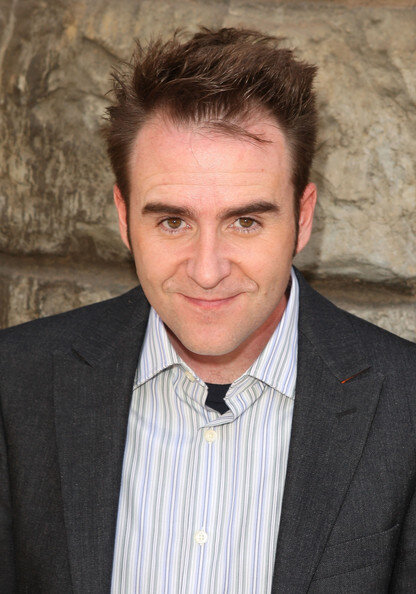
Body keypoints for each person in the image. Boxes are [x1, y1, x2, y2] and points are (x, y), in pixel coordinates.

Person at [0, 27, 415, 594]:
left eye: (245, 221)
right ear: (123, 217)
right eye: (173, 221)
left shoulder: (405, 406)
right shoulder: (15, 384)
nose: (207, 269)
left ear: (303, 218)